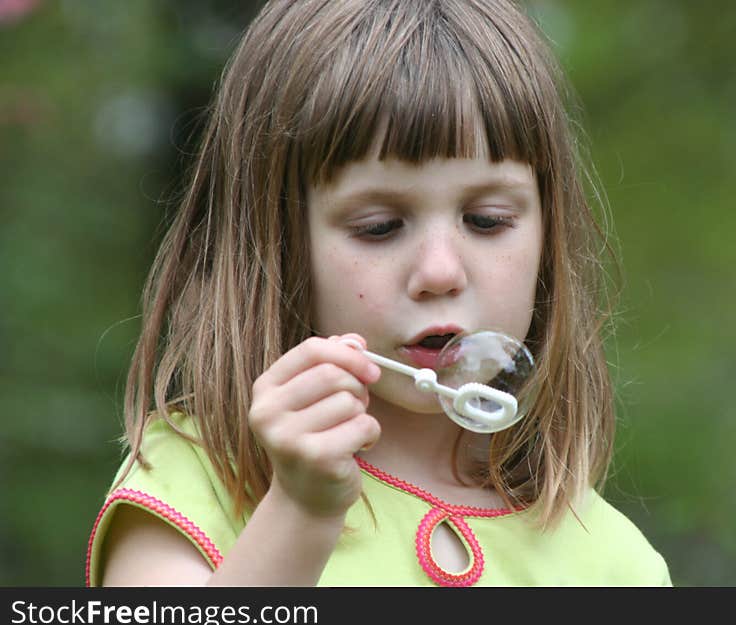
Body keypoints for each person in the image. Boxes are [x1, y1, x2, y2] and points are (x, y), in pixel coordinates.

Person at [87, 0, 671, 587]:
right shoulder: (197, 481)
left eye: (487, 219)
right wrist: (299, 513)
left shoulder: (617, 564)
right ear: (278, 243)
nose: (440, 271)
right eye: (379, 227)